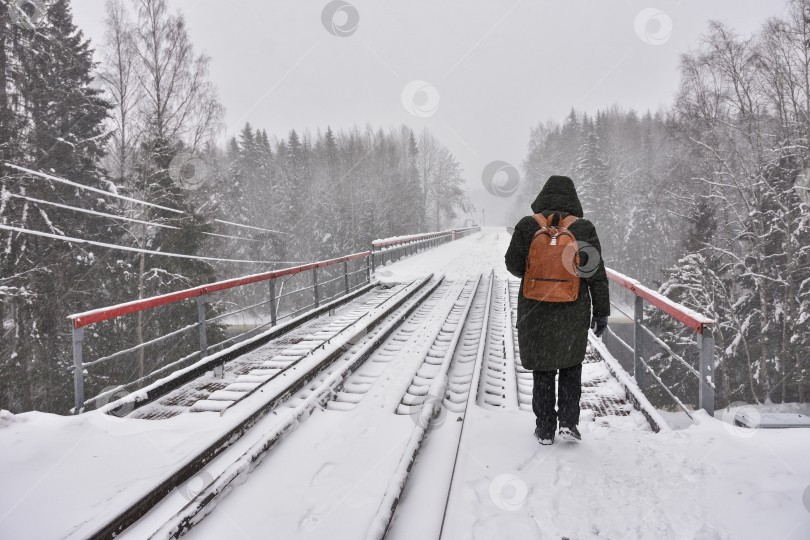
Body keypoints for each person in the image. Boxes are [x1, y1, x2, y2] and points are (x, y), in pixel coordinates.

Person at [505, 175, 610, 444]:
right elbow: (595, 273)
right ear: (573, 199)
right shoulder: (583, 228)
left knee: (543, 368)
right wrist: (601, 312)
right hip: (572, 310)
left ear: (543, 197)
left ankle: (544, 428)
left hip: (535, 309)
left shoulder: (529, 226)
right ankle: (568, 423)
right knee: (571, 366)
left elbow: (513, 265)